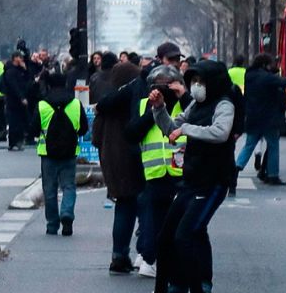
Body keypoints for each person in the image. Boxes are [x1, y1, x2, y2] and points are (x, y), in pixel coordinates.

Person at [130, 60, 238, 293]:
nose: (196, 86)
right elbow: (171, 128)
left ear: (213, 82)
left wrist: (185, 129)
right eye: (194, 81)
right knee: (165, 237)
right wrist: (159, 109)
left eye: (200, 81)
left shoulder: (224, 104)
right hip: (191, 180)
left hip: (213, 182)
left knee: (185, 236)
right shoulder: (195, 105)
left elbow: (220, 133)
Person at [130, 64, 185, 278]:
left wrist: (183, 95)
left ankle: (175, 265)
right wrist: (154, 109)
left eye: (168, 85)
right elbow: (132, 133)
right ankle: (150, 259)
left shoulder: (184, 104)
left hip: (181, 171)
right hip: (155, 171)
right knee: (154, 221)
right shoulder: (145, 104)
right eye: (158, 86)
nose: (163, 90)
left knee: (181, 222)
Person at [93, 60, 144, 273]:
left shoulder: (106, 105)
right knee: (141, 206)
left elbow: (95, 138)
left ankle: (119, 254)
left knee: (123, 207)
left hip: (111, 163)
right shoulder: (133, 103)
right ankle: (143, 254)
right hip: (132, 161)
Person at [36, 71, 88, 236]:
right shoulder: (75, 104)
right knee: (69, 186)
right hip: (69, 152)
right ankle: (67, 213)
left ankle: (52, 225)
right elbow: (84, 128)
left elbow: (33, 128)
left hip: (47, 154)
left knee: (49, 190)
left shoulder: (42, 105)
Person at [234, 54, 286, 186]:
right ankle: (273, 175)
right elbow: (285, 83)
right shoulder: (267, 78)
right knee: (273, 145)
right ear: (265, 64)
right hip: (268, 119)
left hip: (253, 117)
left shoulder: (249, 75)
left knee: (249, 145)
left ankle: (236, 168)